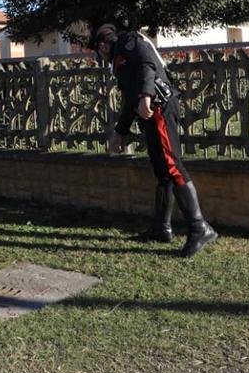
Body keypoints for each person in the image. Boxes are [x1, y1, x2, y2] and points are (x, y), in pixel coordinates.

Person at [89, 23, 218, 258]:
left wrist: (147, 96)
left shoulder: (128, 41)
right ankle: (161, 227)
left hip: (159, 108)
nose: (100, 56)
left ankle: (200, 227)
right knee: (162, 170)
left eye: (98, 52)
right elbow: (130, 99)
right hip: (150, 112)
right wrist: (120, 131)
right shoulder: (120, 61)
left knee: (172, 166)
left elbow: (148, 64)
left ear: (102, 46)